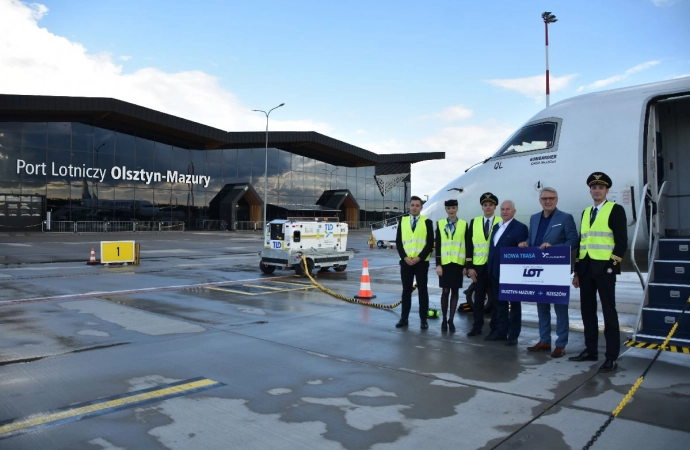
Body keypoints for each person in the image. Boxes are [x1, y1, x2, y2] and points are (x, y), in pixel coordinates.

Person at [569, 172, 628, 372]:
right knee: (587, 311)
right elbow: (582, 243)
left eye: (600, 187)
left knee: (609, 312)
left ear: (607, 190)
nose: (597, 190)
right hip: (586, 268)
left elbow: (621, 242)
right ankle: (591, 349)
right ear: (590, 190)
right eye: (594, 187)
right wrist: (577, 271)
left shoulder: (615, 209)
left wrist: (612, 265)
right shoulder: (586, 212)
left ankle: (611, 357)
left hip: (604, 269)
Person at [518, 187, 579, 358]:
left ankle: (561, 344)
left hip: (556, 268)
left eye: (551, 198)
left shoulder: (565, 218)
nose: (548, 201)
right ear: (540, 201)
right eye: (544, 198)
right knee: (542, 306)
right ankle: (544, 340)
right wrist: (525, 243)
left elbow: (573, 240)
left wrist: (554, 248)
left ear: (557, 200)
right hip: (539, 268)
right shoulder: (534, 218)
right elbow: (533, 239)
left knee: (560, 307)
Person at [485, 200, 528, 345]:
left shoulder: (520, 228)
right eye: (502, 209)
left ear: (514, 211)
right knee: (499, 305)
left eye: (507, 209)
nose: (504, 212)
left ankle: (513, 335)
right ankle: (501, 332)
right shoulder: (497, 227)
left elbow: (522, 249)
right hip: (495, 272)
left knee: (514, 305)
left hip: (511, 274)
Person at [464, 193, 501, 337]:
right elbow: (469, 244)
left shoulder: (500, 221)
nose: (488, 207)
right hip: (478, 267)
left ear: (495, 207)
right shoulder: (474, 222)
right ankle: (477, 326)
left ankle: (494, 327)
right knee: (478, 299)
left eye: (491, 205)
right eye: (485, 205)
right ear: (482, 207)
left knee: (496, 298)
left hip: (494, 266)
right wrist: (469, 267)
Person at [395, 196, 434, 330]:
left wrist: (419, 258)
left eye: (417, 205)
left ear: (421, 207)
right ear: (409, 206)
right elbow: (399, 242)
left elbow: (430, 243)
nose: (414, 207)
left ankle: (423, 319)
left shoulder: (427, 222)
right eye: (412, 205)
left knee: (422, 291)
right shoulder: (403, 221)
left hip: (421, 262)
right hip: (406, 262)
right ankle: (404, 318)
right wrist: (405, 257)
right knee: (406, 291)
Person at [435, 199, 469, 333]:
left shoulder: (464, 225)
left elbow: (467, 246)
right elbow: (438, 245)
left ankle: (451, 320)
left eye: (453, 208)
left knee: (455, 291)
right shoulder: (440, 224)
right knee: (445, 291)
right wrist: (438, 264)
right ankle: (444, 318)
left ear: (457, 209)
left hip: (458, 264)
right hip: (445, 263)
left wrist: (467, 265)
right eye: (449, 208)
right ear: (446, 210)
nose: (451, 210)